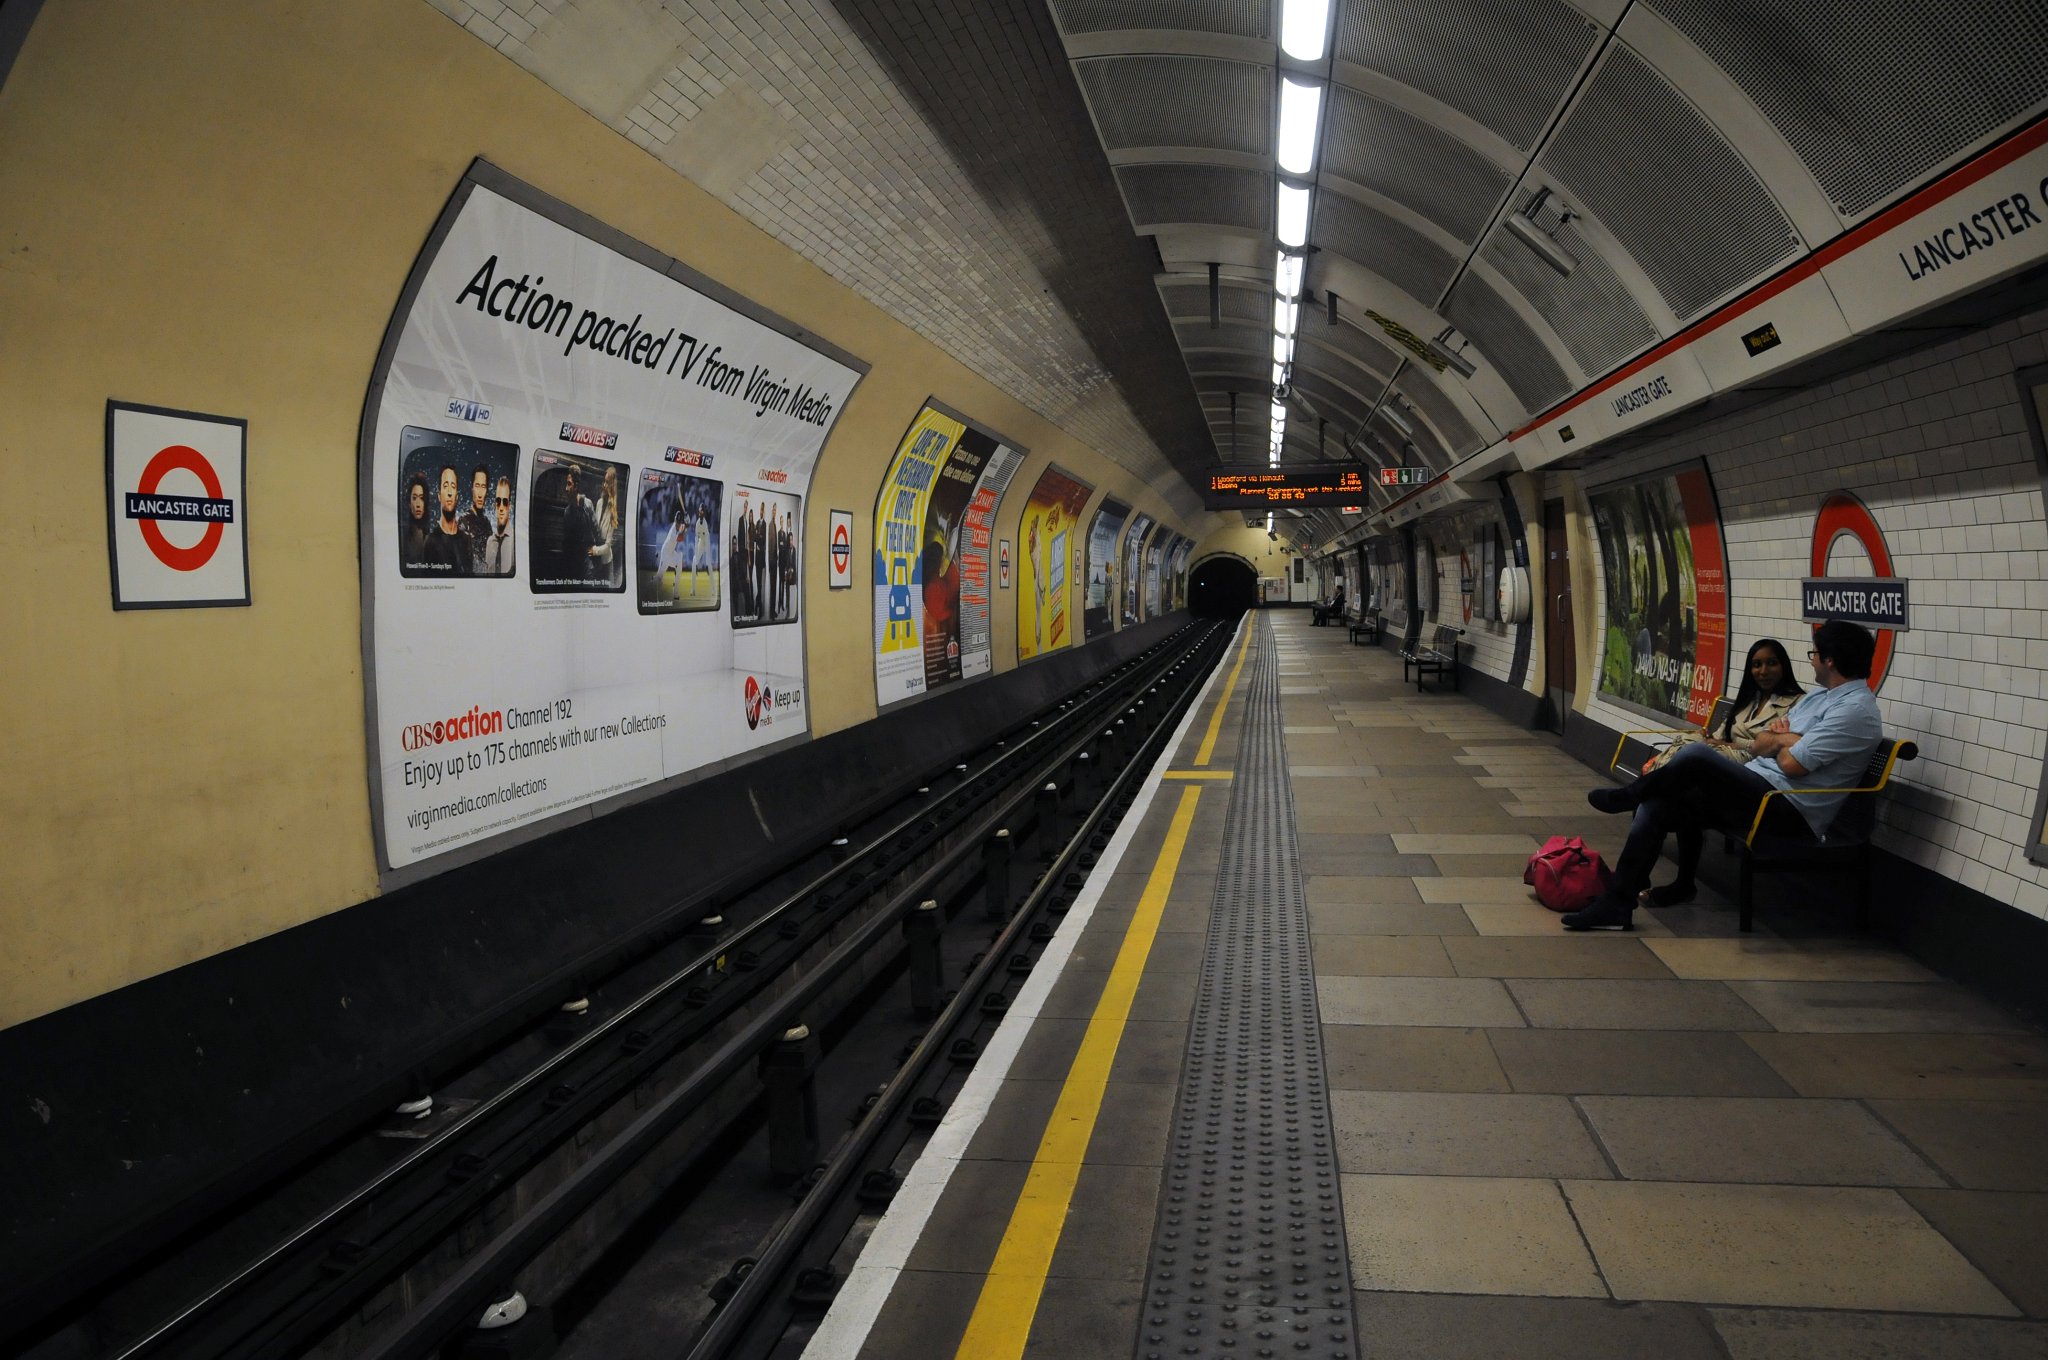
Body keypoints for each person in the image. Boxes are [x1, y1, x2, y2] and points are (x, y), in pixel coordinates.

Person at [1565, 620, 1884, 931]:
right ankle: (1618, 902)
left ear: (1830, 660)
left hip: (1788, 808)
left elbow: (1791, 765)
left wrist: (1782, 741)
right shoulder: (1819, 697)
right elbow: (1761, 743)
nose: (1812, 661)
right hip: (1759, 786)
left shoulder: (1854, 711)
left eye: (1814, 654)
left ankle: (1630, 794)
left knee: (1696, 755)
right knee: (1659, 802)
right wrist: (1786, 741)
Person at [1634, 637, 1805, 905]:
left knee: (1674, 791)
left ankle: (1634, 794)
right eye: (1757, 665)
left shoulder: (1797, 704)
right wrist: (1709, 738)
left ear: (1784, 666)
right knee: (1671, 796)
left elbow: (1774, 746)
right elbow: (1718, 736)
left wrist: (1728, 743)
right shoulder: (1749, 700)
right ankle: (1653, 880)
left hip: (1754, 778)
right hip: (1722, 770)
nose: (1764, 671)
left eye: (1772, 663)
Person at [419, 463, 470, 574]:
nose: (449, 493)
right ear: (439, 495)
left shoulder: (466, 541)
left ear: (457, 496)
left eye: (453, 486)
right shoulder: (430, 542)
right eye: (445, 486)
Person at [587, 467, 621, 585]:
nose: (604, 485)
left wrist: (594, 550)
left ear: (612, 485)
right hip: (596, 562)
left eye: (607, 482)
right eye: (604, 481)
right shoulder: (600, 502)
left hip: (606, 563)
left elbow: (607, 546)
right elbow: (595, 530)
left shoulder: (613, 511)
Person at [480, 476, 515, 575]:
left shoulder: (515, 541)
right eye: (498, 502)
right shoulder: (490, 542)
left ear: (510, 506)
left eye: (505, 502)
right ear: (495, 505)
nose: (501, 507)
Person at [460, 465, 493, 569]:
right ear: (472, 488)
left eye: (483, 487)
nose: (479, 493)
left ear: (487, 490)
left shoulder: (487, 523)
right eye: (477, 486)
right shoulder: (464, 521)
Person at [401, 473, 432, 566]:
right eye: (414, 498)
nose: (418, 504)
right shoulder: (403, 537)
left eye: (421, 498)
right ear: (409, 504)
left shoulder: (432, 538)